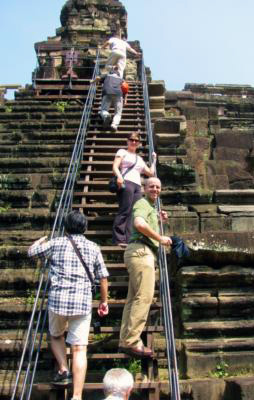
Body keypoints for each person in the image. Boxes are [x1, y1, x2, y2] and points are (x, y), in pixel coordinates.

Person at [27, 211, 109, 400]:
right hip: (82, 302)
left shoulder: (56, 243)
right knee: (80, 348)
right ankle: (77, 396)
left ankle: (63, 369)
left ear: (65, 227)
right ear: (85, 228)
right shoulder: (93, 247)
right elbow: (103, 277)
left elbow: (31, 253)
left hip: (58, 301)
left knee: (56, 335)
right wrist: (104, 301)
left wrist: (40, 240)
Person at [119, 177, 172, 358]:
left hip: (137, 252)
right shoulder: (142, 203)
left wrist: (157, 219)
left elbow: (145, 221)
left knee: (133, 298)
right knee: (145, 297)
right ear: (144, 188)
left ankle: (125, 339)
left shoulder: (150, 207)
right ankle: (133, 340)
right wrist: (160, 238)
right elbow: (139, 224)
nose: (155, 189)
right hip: (142, 252)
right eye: (151, 186)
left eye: (158, 187)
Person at [112, 132, 157, 247]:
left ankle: (129, 239)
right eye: (131, 140)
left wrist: (154, 160)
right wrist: (119, 176)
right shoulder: (122, 152)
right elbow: (115, 166)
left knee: (134, 212)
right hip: (126, 182)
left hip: (137, 186)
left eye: (136, 140)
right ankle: (119, 238)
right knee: (125, 209)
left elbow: (151, 173)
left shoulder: (139, 159)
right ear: (127, 141)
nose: (133, 142)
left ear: (139, 143)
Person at [95, 66, 128, 132]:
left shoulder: (107, 76)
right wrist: (125, 100)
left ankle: (106, 115)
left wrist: (93, 81)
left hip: (107, 93)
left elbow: (98, 78)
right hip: (118, 94)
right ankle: (114, 125)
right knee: (118, 113)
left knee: (103, 109)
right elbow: (126, 88)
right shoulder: (121, 79)